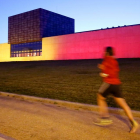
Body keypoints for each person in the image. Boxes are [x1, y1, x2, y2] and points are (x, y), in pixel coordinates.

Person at [94, 46, 139, 133]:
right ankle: (133, 122)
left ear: (107, 53)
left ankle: (104, 118)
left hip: (109, 83)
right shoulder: (114, 61)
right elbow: (114, 70)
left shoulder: (106, 59)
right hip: (117, 85)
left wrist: (102, 72)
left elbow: (106, 74)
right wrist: (103, 68)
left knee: (100, 97)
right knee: (123, 104)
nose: (103, 53)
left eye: (104, 52)